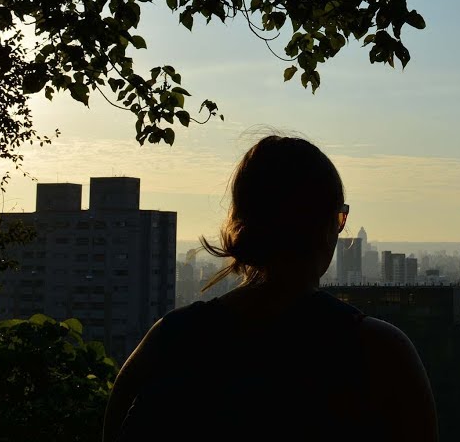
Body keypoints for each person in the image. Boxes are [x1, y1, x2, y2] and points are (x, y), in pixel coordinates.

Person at [103, 135, 438, 441]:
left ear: (241, 221)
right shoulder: (377, 350)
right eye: (340, 217)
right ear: (324, 227)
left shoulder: (169, 339)